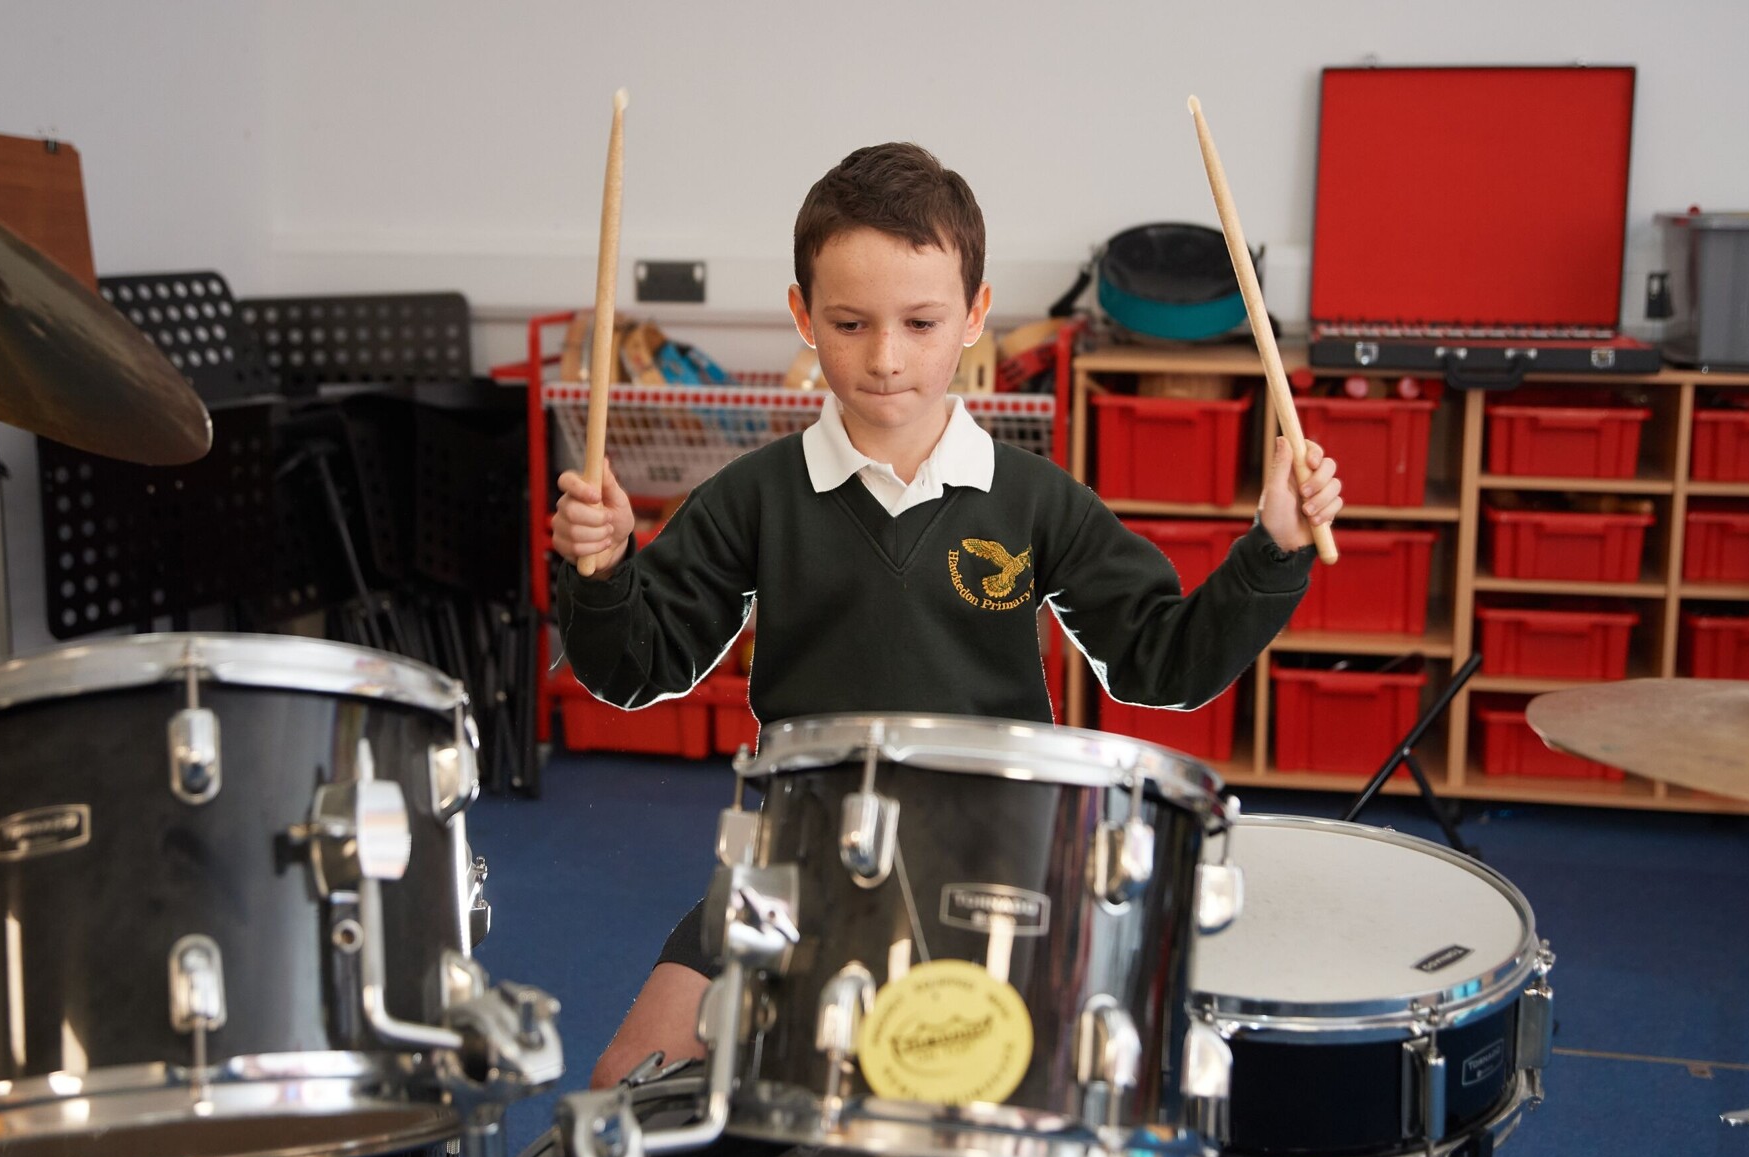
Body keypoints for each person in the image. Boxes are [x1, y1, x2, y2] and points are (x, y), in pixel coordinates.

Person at [552, 142, 1341, 1089]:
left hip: (995, 875)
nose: (886, 358)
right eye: (849, 323)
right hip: (796, 865)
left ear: (974, 316)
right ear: (803, 315)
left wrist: (1275, 548)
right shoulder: (754, 498)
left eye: (921, 322)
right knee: (625, 1086)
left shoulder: (1037, 502)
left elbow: (1161, 664)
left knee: (913, 1118)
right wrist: (601, 574)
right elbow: (635, 668)